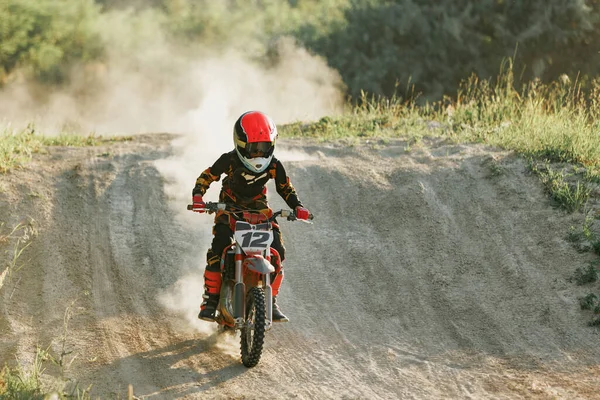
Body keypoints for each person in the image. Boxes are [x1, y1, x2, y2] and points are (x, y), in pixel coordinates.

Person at [191, 110, 311, 322]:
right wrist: (198, 196)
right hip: (229, 208)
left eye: (263, 148)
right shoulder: (229, 160)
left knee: (278, 251)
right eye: (253, 148)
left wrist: (298, 206)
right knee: (219, 246)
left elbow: (286, 189)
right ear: (240, 144)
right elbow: (207, 176)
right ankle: (209, 300)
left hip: (259, 210)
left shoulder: (274, 164)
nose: (258, 154)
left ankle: (271, 299)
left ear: (272, 144)